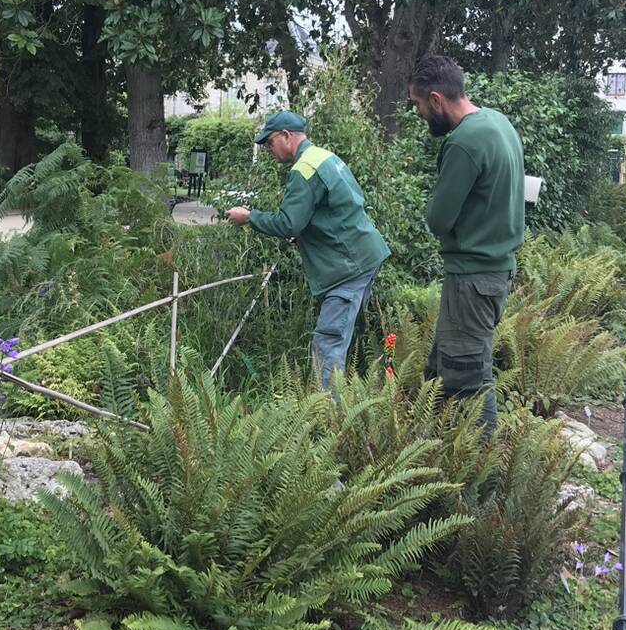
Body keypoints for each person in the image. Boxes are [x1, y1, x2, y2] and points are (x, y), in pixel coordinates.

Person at [225, 111, 390, 388]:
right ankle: (340, 407)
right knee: (337, 341)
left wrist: (248, 217)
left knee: (328, 346)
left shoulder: (304, 170)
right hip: (364, 257)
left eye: (270, 142)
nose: (268, 150)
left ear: (287, 136)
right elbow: (338, 208)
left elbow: (288, 223)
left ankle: (330, 420)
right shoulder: (326, 157)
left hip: (347, 268)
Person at [407, 55, 525, 434]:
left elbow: (437, 219)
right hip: (495, 272)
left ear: (437, 100)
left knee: (470, 380)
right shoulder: (498, 123)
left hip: (471, 279)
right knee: (442, 366)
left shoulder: (463, 143)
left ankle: (481, 479)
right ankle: (427, 449)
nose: (420, 114)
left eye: (419, 105)